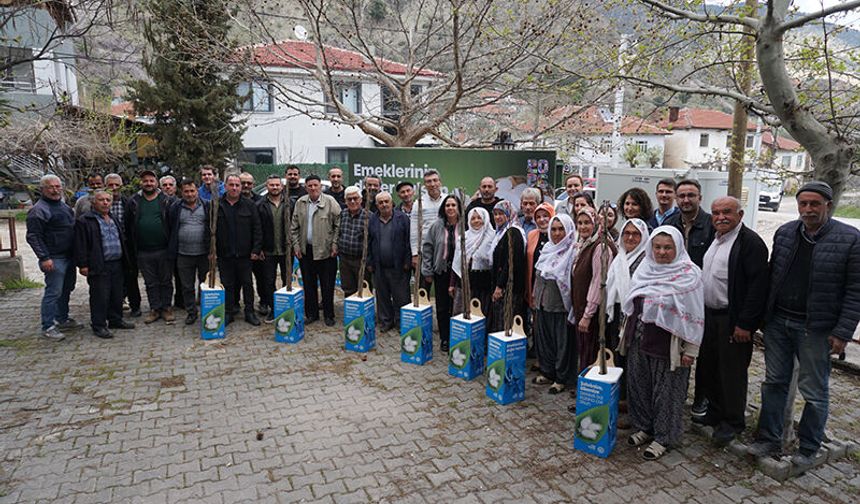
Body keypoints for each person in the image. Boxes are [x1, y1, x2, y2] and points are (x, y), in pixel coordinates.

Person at [748, 181, 860, 472]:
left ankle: (809, 447)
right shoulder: (786, 233)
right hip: (778, 323)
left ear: (828, 206)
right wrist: (763, 317)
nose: (808, 209)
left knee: (814, 389)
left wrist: (842, 333)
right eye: (803, 204)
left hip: (816, 328)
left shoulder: (850, 239)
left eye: (814, 204)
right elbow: (773, 276)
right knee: (774, 383)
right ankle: (769, 438)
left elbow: (855, 291)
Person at [622, 226, 704, 460]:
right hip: (640, 340)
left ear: (678, 248)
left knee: (667, 394)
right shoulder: (645, 269)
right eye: (657, 247)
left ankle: (663, 438)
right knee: (640, 387)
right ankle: (644, 427)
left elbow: (696, 316)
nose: (662, 252)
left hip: (670, 348)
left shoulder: (690, 274)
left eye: (668, 247)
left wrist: (691, 350)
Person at [695, 197, 769, 446]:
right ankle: (715, 412)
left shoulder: (750, 243)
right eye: (715, 213)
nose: (720, 217)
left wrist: (745, 324)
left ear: (740, 213)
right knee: (710, 366)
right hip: (710, 316)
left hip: (732, 319)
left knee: (732, 372)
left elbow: (758, 288)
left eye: (726, 212)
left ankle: (733, 421)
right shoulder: (716, 238)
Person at [664, 178, 715, 418]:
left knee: (700, 352)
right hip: (672, 296)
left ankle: (701, 398)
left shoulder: (711, 225)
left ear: (699, 198)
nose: (685, 200)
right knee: (676, 349)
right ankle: (675, 394)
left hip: (700, 296)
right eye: (681, 196)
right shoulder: (671, 222)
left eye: (690, 195)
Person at [605, 218, 650, 422]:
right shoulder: (620, 257)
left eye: (636, 234)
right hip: (617, 317)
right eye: (627, 233)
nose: (630, 238)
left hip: (634, 321)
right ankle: (621, 398)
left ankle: (635, 409)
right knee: (619, 359)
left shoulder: (646, 260)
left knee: (634, 365)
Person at [74, 190, 136, 339]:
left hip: (117, 263)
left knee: (117, 294)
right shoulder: (85, 220)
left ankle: (115, 320)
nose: (105, 203)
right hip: (98, 264)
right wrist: (82, 265)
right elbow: (80, 244)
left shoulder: (112, 217)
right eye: (101, 200)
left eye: (108, 200)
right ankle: (99, 325)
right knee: (100, 296)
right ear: (93, 202)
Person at [27, 174, 80, 340]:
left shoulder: (63, 207)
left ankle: (62, 318)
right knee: (53, 292)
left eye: (58, 186)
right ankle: (48, 326)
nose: (55, 190)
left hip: (68, 256)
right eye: (51, 187)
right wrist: (44, 257)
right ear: (42, 189)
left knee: (66, 289)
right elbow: (33, 236)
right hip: (53, 258)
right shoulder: (38, 210)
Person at [533, 214, 578, 394]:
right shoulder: (547, 249)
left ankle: (561, 378)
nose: (557, 233)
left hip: (561, 306)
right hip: (543, 303)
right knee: (545, 340)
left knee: (562, 343)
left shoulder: (572, 250)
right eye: (554, 229)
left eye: (561, 229)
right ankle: (547, 371)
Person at [290, 174, 341, 326]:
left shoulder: (330, 202)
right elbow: (294, 228)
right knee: (309, 284)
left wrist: (334, 245)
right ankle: (311, 314)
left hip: (326, 252)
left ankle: (328, 315)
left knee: (327, 285)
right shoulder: (301, 203)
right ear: (306, 187)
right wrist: (296, 246)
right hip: (306, 252)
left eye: (315, 185)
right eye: (309, 186)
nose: (313, 188)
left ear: (321, 186)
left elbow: (338, 225)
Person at [571, 207, 616, 372]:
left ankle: (590, 389)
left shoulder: (600, 247)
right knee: (584, 348)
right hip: (582, 307)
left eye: (587, 223)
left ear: (596, 223)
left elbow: (598, 282)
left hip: (593, 311)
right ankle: (584, 386)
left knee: (591, 350)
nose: (582, 227)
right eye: (580, 223)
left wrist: (587, 315)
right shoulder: (585, 244)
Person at [126, 170, 174, 324]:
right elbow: (128, 225)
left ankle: (166, 308)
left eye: (151, 180)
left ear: (156, 182)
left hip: (164, 249)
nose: (148, 183)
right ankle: (155, 309)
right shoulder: (133, 201)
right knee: (150, 282)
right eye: (145, 181)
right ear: (141, 183)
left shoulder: (166, 200)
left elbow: (173, 224)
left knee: (166, 281)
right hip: (143, 251)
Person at [215, 174, 263, 326]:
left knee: (247, 284)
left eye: (237, 185)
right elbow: (210, 230)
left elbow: (257, 228)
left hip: (245, 255)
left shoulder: (249, 205)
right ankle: (229, 312)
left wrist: (256, 249)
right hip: (225, 255)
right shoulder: (216, 205)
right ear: (225, 186)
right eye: (231, 185)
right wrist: (212, 252)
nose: (234, 188)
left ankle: (249, 312)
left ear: (241, 187)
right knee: (227, 284)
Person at [167, 179, 210, 325]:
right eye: (186, 191)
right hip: (183, 254)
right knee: (186, 286)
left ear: (197, 191)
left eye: (192, 191)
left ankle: (206, 310)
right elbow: (170, 227)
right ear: (181, 192)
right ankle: (191, 312)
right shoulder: (174, 207)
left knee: (205, 285)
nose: (190, 194)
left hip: (204, 253)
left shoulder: (207, 206)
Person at [422, 194, 461, 352]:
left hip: (460, 274)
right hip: (442, 272)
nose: (450, 208)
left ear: (459, 208)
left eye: (453, 205)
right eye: (447, 205)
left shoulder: (465, 225)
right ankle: (444, 338)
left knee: (458, 306)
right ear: (443, 209)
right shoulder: (436, 226)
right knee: (443, 307)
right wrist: (428, 270)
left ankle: (458, 337)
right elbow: (427, 248)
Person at [368, 191, 411, 332]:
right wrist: (369, 262)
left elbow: (408, 241)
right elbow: (368, 242)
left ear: (392, 203)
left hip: (399, 266)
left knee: (401, 296)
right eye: (380, 202)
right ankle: (386, 321)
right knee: (382, 296)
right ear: (376, 205)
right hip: (379, 266)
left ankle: (401, 322)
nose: (384, 204)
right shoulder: (372, 220)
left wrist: (407, 260)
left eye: (386, 201)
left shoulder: (402, 218)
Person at [105, 173, 141, 317]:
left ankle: (135, 306)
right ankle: (114, 309)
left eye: (116, 185)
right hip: (108, 248)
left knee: (131, 278)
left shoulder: (129, 202)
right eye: (110, 185)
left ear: (121, 186)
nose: (114, 188)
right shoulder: (101, 203)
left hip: (127, 247)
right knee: (112, 280)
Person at [450, 205, 495, 318]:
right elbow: (456, 262)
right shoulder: (464, 238)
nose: (476, 221)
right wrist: (452, 284)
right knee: (462, 314)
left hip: (483, 284)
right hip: (464, 282)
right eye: (473, 218)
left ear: (485, 219)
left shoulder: (493, 236)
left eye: (479, 218)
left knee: (480, 314)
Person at [489, 200, 527, 333]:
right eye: (495, 214)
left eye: (501, 214)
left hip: (509, 288)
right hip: (504, 287)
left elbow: (511, 262)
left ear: (509, 214)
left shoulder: (513, 232)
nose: (498, 217)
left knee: (505, 322)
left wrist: (500, 285)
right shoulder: (501, 232)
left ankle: (505, 353)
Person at [256, 175, 289, 322]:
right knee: (268, 282)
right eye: (271, 185)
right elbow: (257, 229)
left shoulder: (290, 203)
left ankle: (287, 308)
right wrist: (259, 248)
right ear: (267, 187)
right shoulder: (259, 205)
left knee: (286, 280)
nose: (275, 187)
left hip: (286, 250)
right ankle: (274, 309)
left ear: (282, 187)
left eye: (277, 185)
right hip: (268, 250)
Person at [410, 170, 447, 285]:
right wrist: (415, 254)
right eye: (428, 181)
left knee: (443, 289)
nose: (432, 184)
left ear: (440, 182)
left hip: (444, 251)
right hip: (424, 252)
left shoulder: (448, 201)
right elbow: (414, 230)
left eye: (435, 180)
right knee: (422, 289)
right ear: (424, 185)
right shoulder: (418, 203)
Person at [338, 186, 369, 298]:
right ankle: (352, 314)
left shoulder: (368, 216)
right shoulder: (342, 214)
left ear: (361, 200)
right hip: (345, 260)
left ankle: (364, 315)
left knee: (363, 289)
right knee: (348, 289)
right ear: (345, 201)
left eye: (355, 198)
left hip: (361, 260)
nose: (352, 201)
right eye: (349, 199)